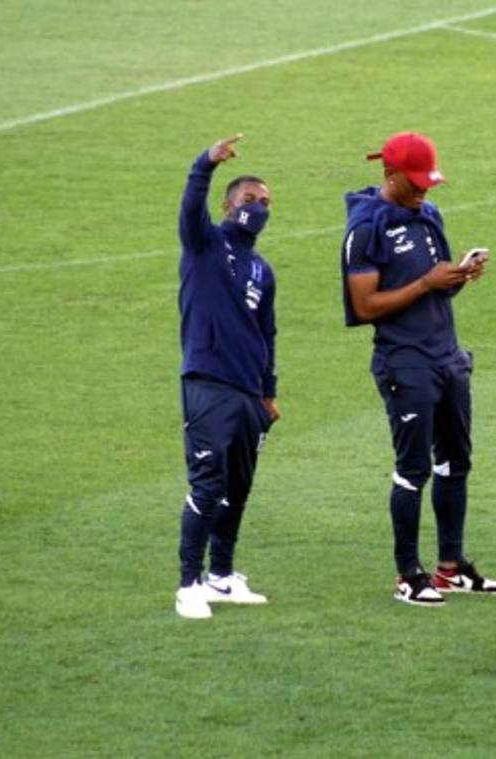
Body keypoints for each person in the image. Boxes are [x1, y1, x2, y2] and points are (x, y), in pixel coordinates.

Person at [340, 131, 496, 606]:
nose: (424, 191)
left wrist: (458, 277)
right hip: (404, 362)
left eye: (428, 181)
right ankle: (407, 575)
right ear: (389, 176)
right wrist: (426, 283)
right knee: (414, 469)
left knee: (457, 462)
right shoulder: (366, 227)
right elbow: (366, 305)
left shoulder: (429, 215)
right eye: (415, 182)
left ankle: (450, 568)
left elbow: (436, 285)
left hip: (447, 356)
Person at [173, 134, 281, 619]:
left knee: (238, 489)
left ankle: (221, 576)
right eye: (249, 201)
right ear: (227, 205)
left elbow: (267, 332)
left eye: (265, 203)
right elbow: (191, 204)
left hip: (247, 395)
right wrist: (206, 163)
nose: (258, 208)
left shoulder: (262, 269)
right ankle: (188, 584)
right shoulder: (204, 244)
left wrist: (269, 392)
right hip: (209, 385)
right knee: (207, 487)